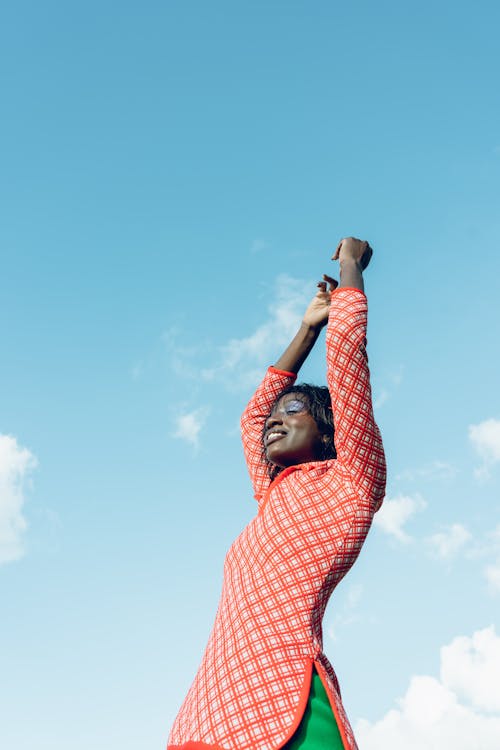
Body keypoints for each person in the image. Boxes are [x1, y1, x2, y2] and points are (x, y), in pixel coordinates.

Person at [168, 237, 386, 750]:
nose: (272, 420)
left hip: (288, 704)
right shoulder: (272, 493)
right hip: (213, 703)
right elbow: (251, 414)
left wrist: (353, 267)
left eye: (293, 412)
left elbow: (349, 363)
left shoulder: (351, 481)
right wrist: (308, 326)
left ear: (331, 429)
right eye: (276, 414)